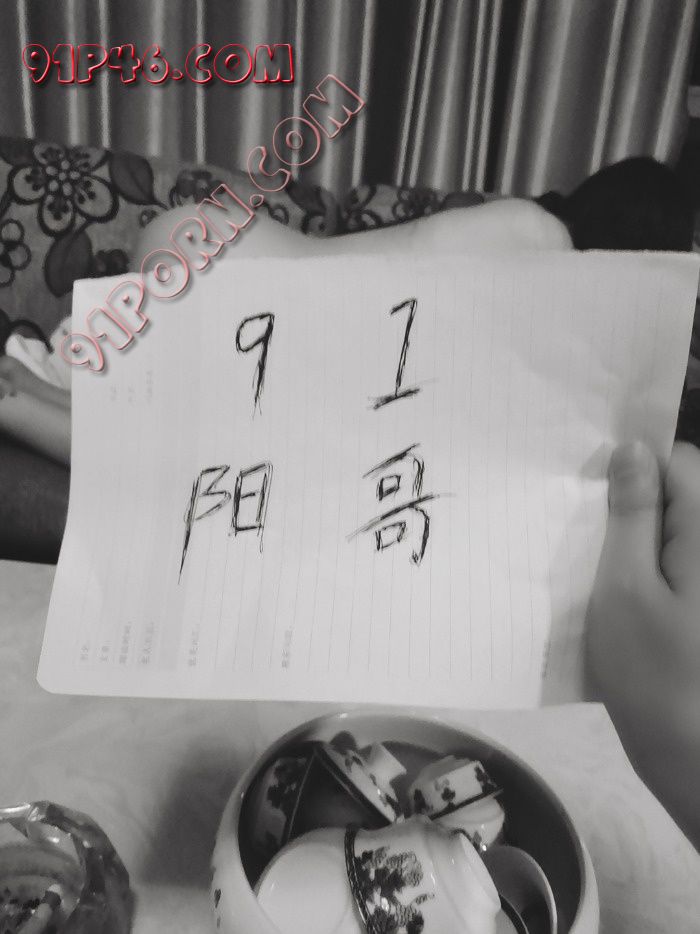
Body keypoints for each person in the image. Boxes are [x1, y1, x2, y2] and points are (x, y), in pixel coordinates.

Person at [1, 157, 698, 845]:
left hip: (214, 245)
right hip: (233, 277)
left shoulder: (528, 226)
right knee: (184, 461)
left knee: (177, 442)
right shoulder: (547, 251)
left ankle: (27, 388)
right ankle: (25, 402)